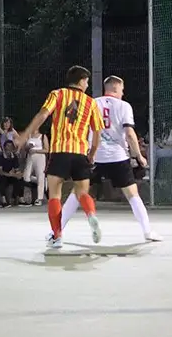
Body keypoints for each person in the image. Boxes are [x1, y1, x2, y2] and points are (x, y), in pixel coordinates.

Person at [57, 76, 160, 242]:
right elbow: (129, 134)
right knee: (133, 195)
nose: (123, 93)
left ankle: (57, 231)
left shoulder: (91, 102)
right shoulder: (124, 106)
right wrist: (139, 155)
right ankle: (147, 231)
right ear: (116, 88)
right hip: (117, 156)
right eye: (122, 90)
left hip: (93, 155)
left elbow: (72, 123)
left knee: (77, 192)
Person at [16, 65, 105, 249]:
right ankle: (91, 215)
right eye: (87, 81)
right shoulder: (91, 103)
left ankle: (57, 236)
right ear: (81, 81)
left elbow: (43, 114)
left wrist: (26, 134)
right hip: (80, 153)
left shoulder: (57, 94)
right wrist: (92, 153)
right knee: (82, 192)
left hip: (59, 152)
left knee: (54, 195)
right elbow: (97, 133)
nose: (87, 84)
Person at [21, 129, 49, 206]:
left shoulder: (42, 136)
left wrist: (36, 151)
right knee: (26, 176)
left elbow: (47, 150)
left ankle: (39, 198)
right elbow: (25, 149)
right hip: (30, 157)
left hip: (40, 157)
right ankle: (43, 182)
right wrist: (28, 147)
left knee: (40, 175)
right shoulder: (29, 136)